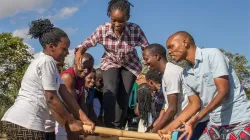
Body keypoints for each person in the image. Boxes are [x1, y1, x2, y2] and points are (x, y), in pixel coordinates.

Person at [1, 19, 94, 140]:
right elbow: (51, 98)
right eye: (64, 49)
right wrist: (71, 122)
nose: (67, 53)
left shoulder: (50, 66)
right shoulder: (47, 61)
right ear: (51, 47)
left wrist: (83, 118)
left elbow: (65, 94)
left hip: (15, 122)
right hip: (26, 124)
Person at [75, 0, 149, 129]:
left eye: (121, 21)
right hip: (110, 61)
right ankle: (109, 125)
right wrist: (80, 51)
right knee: (110, 89)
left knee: (124, 96)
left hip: (130, 64)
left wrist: (148, 59)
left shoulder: (135, 29)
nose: (117, 24)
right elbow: (88, 42)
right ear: (109, 16)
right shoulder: (103, 29)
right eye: (114, 20)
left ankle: (118, 126)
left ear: (128, 18)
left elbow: (146, 47)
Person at [162, 31, 250, 140]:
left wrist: (197, 118)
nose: (169, 52)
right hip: (215, 123)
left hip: (239, 120)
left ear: (185, 43)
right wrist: (168, 129)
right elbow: (194, 105)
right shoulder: (185, 73)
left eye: (171, 47)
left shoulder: (212, 55)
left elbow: (223, 92)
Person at [142, 43, 201, 135]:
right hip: (183, 121)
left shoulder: (171, 73)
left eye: (146, 59)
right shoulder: (166, 74)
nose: (145, 63)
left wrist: (153, 132)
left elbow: (172, 109)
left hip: (190, 122)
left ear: (157, 56)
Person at [56, 53, 94, 140]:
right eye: (84, 66)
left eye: (89, 68)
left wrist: (86, 123)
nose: (86, 70)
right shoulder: (68, 77)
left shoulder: (81, 79)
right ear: (76, 62)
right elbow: (72, 107)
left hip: (72, 121)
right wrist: (80, 124)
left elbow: (82, 104)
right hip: (62, 122)